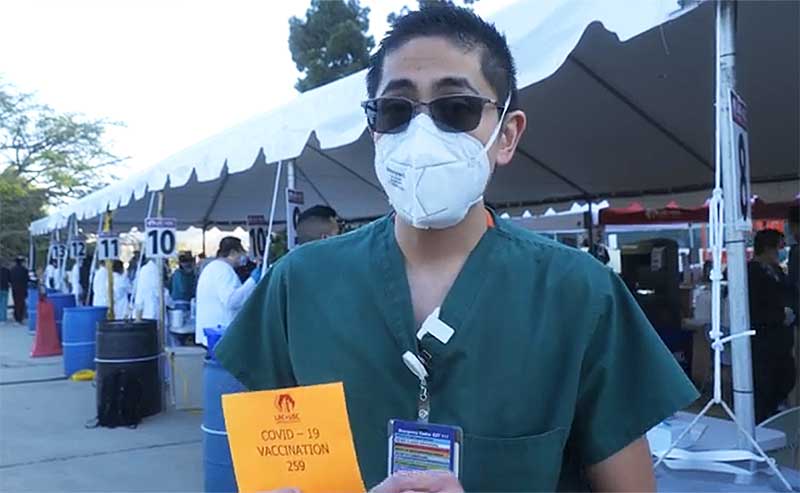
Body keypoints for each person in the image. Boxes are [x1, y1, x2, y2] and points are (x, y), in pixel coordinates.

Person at [215, 6, 698, 492]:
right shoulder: (299, 285)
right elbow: (270, 475)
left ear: (506, 135)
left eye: (456, 108)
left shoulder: (579, 294)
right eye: (395, 110)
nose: (421, 134)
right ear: (375, 130)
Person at [748, 229, 796, 423]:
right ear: (768, 248)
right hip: (763, 339)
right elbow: (754, 306)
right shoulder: (751, 272)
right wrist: (779, 315)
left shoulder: (777, 271)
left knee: (786, 378)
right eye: (778, 248)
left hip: (782, 339)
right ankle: (762, 422)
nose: (780, 252)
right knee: (764, 385)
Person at [194, 237, 259, 346]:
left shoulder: (212, 268)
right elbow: (231, 301)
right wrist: (252, 281)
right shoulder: (223, 270)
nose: (244, 257)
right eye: (241, 253)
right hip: (220, 335)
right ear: (232, 252)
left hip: (213, 334)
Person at [133, 254, 163, 320]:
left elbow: (136, 289)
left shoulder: (142, 270)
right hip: (152, 311)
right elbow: (159, 291)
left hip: (142, 310)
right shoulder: (154, 270)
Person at [10, 257, 28, 324]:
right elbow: (27, 279)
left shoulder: (12, 270)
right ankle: (20, 317)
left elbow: (10, 279)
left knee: (16, 302)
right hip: (22, 288)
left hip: (14, 288)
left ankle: (16, 316)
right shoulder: (25, 270)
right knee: (21, 303)